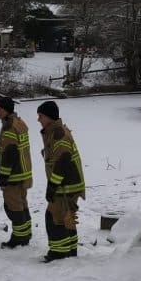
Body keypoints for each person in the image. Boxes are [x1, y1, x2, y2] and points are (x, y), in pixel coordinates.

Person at [37, 101, 86, 263]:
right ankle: (70, 252)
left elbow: (62, 162)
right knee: (66, 218)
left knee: (54, 218)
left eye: (41, 116)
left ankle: (59, 254)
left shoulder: (58, 134)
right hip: (69, 184)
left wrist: (52, 186)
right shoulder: (55, 131)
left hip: (66, 186)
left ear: (49, 117)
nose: (38, 119)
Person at [0, 97, 34, 249]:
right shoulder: (19, 123)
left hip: (14, 175)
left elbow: (10, 153)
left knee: (13, 207)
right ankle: (26, 234)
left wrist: (3, 176)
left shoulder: (9, 127)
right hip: (24, 173)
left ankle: (19, 238)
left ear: (6, 110)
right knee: (22, 205)